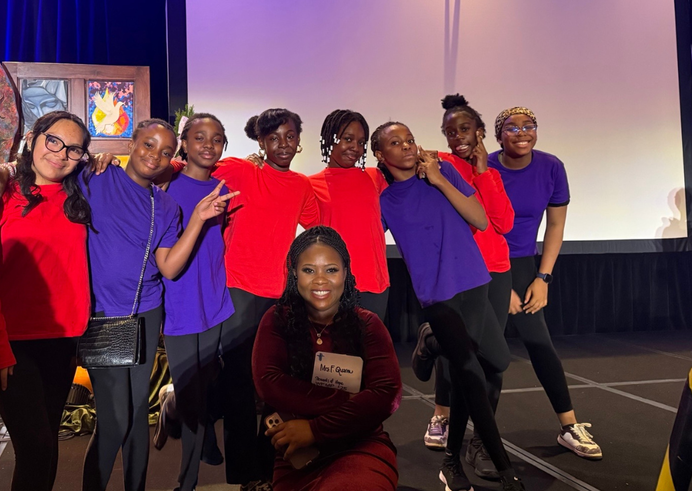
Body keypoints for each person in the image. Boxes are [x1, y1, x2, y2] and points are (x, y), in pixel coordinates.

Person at [80, 118, 237, 491]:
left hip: (147, 310)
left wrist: (197, 219)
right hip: (104, 314)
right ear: (131, 143)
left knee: (137, 414)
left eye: (165, 152)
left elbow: (168, 267)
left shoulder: (165, 204)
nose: (155, 156)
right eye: (149, 144)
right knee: (114, 420)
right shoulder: (96, 177)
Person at [169, 108, 321, 490]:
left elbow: (318, 226)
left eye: (290, 136)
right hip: (236, 288)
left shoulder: (302, 185)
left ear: (298, 141)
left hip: (278, 294)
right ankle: (243, 474)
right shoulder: (238, 169)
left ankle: (259, 461)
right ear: (261, 142)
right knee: (239, 381)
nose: (283, 144)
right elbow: (186, 167)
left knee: (269, 383)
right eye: (274, 138)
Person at [373, 122, 524, 491]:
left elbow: (480, 219)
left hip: (474, 280)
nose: (407, 146)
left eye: (410, 139)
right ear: (380, 154)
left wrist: (439, 179)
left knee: (497, 361)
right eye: (396, 142)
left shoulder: (444, 173)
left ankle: (433, 342)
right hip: (438, 295)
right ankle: (501, 470)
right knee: (470, 372)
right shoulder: (385, 201)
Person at [0, 111, 94, 491]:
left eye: (73, 148)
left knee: (47, 446)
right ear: (33, 138)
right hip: (12, 342)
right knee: (36, 447)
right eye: (53, 141)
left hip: (62, 341)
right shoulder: (2, 192)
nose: (60, 154)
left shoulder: (82, 195)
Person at [488, 106, 602, 460]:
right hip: (484, 262)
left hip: (524, 263)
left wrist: (542, 277)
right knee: (473, 345)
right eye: (512, 127)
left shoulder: (551, 167)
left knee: (539, 342)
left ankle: (569, 426)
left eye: (529, 126)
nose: (522, 132)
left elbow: (555, 226)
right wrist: (498, 285)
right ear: (498, 135)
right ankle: (444, 418)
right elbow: (473, 228)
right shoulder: (485, 168)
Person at [252, 226, 401, 491]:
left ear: (345, 272)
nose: (320, 280)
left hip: (360, 445)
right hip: (298, 454)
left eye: (331, 270)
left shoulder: (368, 324)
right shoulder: (277, 321)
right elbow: (270, 382)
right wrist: (348, 400)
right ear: (294, 273)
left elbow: (386, 395)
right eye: (309, 270)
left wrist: (315, 429)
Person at [423, 94, 515, 480]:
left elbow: (504, 223)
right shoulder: (441, 165)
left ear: (479, 132)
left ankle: (479, 441)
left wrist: (483, 172)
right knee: (474, 360)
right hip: (464, 276)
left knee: (493, 364)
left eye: (464, 129)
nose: (457, 137)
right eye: (450, 132)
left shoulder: (488, 171)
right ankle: (452, 442)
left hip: (498, 271)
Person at [155, 113, 235, 491]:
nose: (208, 144)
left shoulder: (224, 188)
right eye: (199, 137)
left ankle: (172, 407)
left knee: (207, 385)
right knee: (192, 398)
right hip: (180, 305)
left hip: (216, 302)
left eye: (217, 139)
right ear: (184, 144)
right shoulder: (166, 186)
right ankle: (187, 482)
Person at [309, 109, 391, 323]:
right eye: (347, 139)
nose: (355, 147)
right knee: (332, 345)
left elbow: (386, 217)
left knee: (370, 343)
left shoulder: (375, 177)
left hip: (374, 282)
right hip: (331, 286)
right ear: (330, 139)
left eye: (361, 142)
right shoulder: (310, 184)